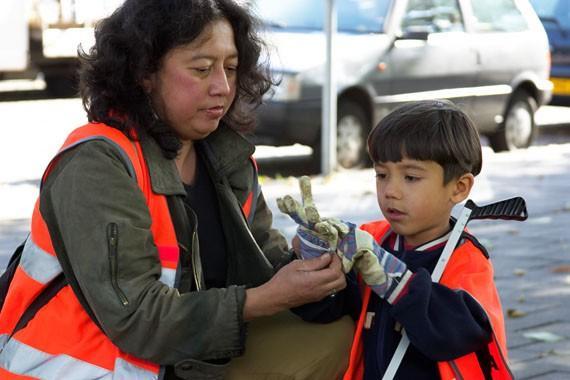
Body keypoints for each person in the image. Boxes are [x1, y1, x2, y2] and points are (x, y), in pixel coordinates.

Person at [0, 1, 353, 379]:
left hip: (184, 361)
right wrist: (266, 299)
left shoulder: (228, 158)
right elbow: (138, 321)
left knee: (341, 332)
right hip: (82, 369)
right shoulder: (97, 164)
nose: (222, 87)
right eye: (201, 69)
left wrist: (314, 267)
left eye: (231, 69)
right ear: (144, 72)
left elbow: (265, 267)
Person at [280, 100, 513, 379]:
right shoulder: (373, 240)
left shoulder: (466, 259)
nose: (391, 190)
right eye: (381, 175)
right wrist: (315, 256)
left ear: (459, 187)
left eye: (411, 177)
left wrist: (394, 280)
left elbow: (456, 334)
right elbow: (328, 311)